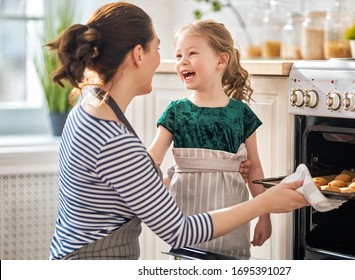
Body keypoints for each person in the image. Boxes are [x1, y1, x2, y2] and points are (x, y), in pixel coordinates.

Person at [46, 2, 309, 260]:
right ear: (139, 54)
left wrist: (163, 180)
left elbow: (114, 189)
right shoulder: (114, 139)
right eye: (159, 48)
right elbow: (180, 231)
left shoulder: (86, 107)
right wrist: (265, 203)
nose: (171, 60)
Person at [148, 19, 268, 259]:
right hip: (186, 224)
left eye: (192, 53)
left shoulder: (241, 114)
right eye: (179, 54)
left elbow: (254, 168)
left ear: (221, 60)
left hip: (233, 224)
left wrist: (264, 216)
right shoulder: (176, 111)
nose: (183, 60)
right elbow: (152, 160)